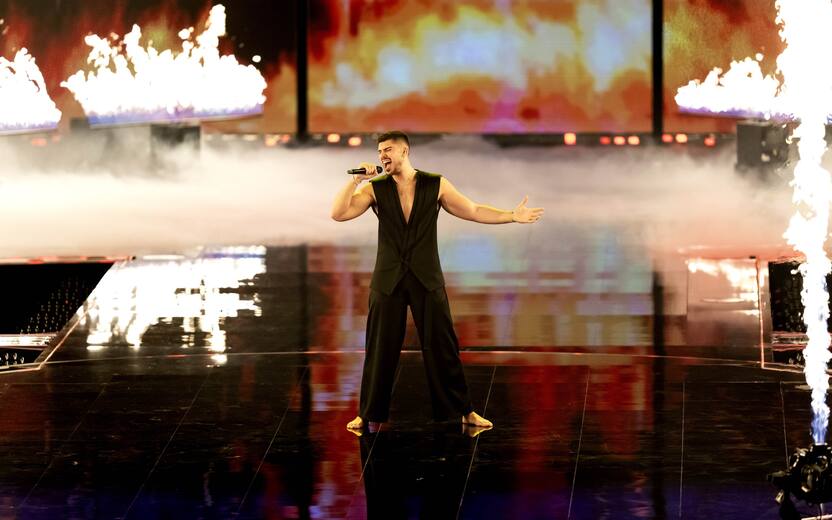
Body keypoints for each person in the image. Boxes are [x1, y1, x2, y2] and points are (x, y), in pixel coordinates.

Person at [330, 131, 544, 431]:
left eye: (388, 150)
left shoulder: (435, 183)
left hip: (426, 276)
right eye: (379, 152)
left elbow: (472, 210)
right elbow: (338, 214)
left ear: (404, 151)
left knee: (443, 346)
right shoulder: (374, 189)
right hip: (387, 279)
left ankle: (465, 411)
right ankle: (366, 414)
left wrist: (511, 215)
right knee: (379, 348)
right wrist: (355, 181)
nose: (382, 157)